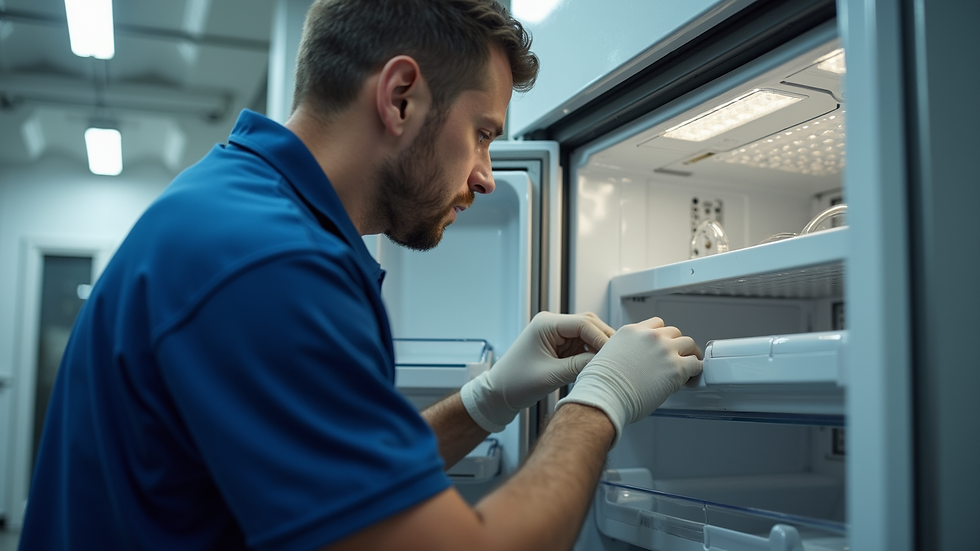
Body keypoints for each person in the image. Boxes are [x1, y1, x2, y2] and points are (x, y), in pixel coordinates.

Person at [18, 1, 703, 550]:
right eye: (483, 133)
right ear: (400, 96)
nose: (488, 177)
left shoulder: (240, 210)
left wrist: (487, 399)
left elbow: (344, 487)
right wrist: (600, 402)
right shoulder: (271, 268)